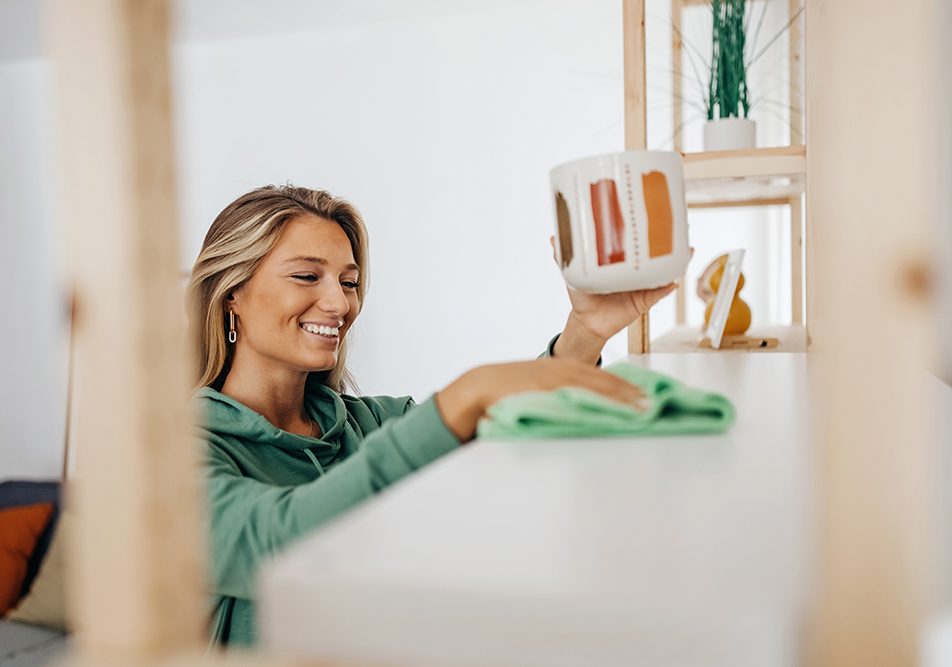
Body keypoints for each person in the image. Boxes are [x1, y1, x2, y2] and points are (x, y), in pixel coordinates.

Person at [187, 185, 675, 648]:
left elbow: (513, 433)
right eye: (307, 276)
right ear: (232, 292)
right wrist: (461, 398)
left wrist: (585, 331)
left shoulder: (370, 426)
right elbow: (277, 544)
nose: (340, 303)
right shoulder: (179, 451)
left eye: (349, 282)